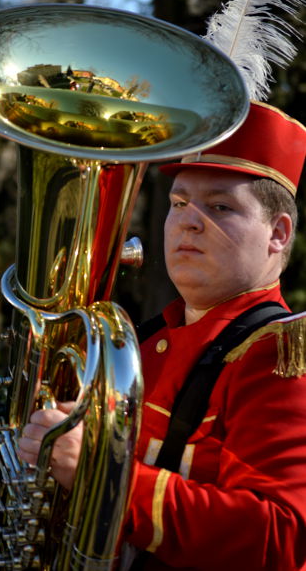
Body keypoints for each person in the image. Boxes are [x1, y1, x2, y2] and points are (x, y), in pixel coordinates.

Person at [17, 101, 306, 570]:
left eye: (219, 206)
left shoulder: (279, 352)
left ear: (277, 233)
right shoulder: (144, 341)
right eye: (178, 203)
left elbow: (282, 537)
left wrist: (103, 478)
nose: (187, 221)